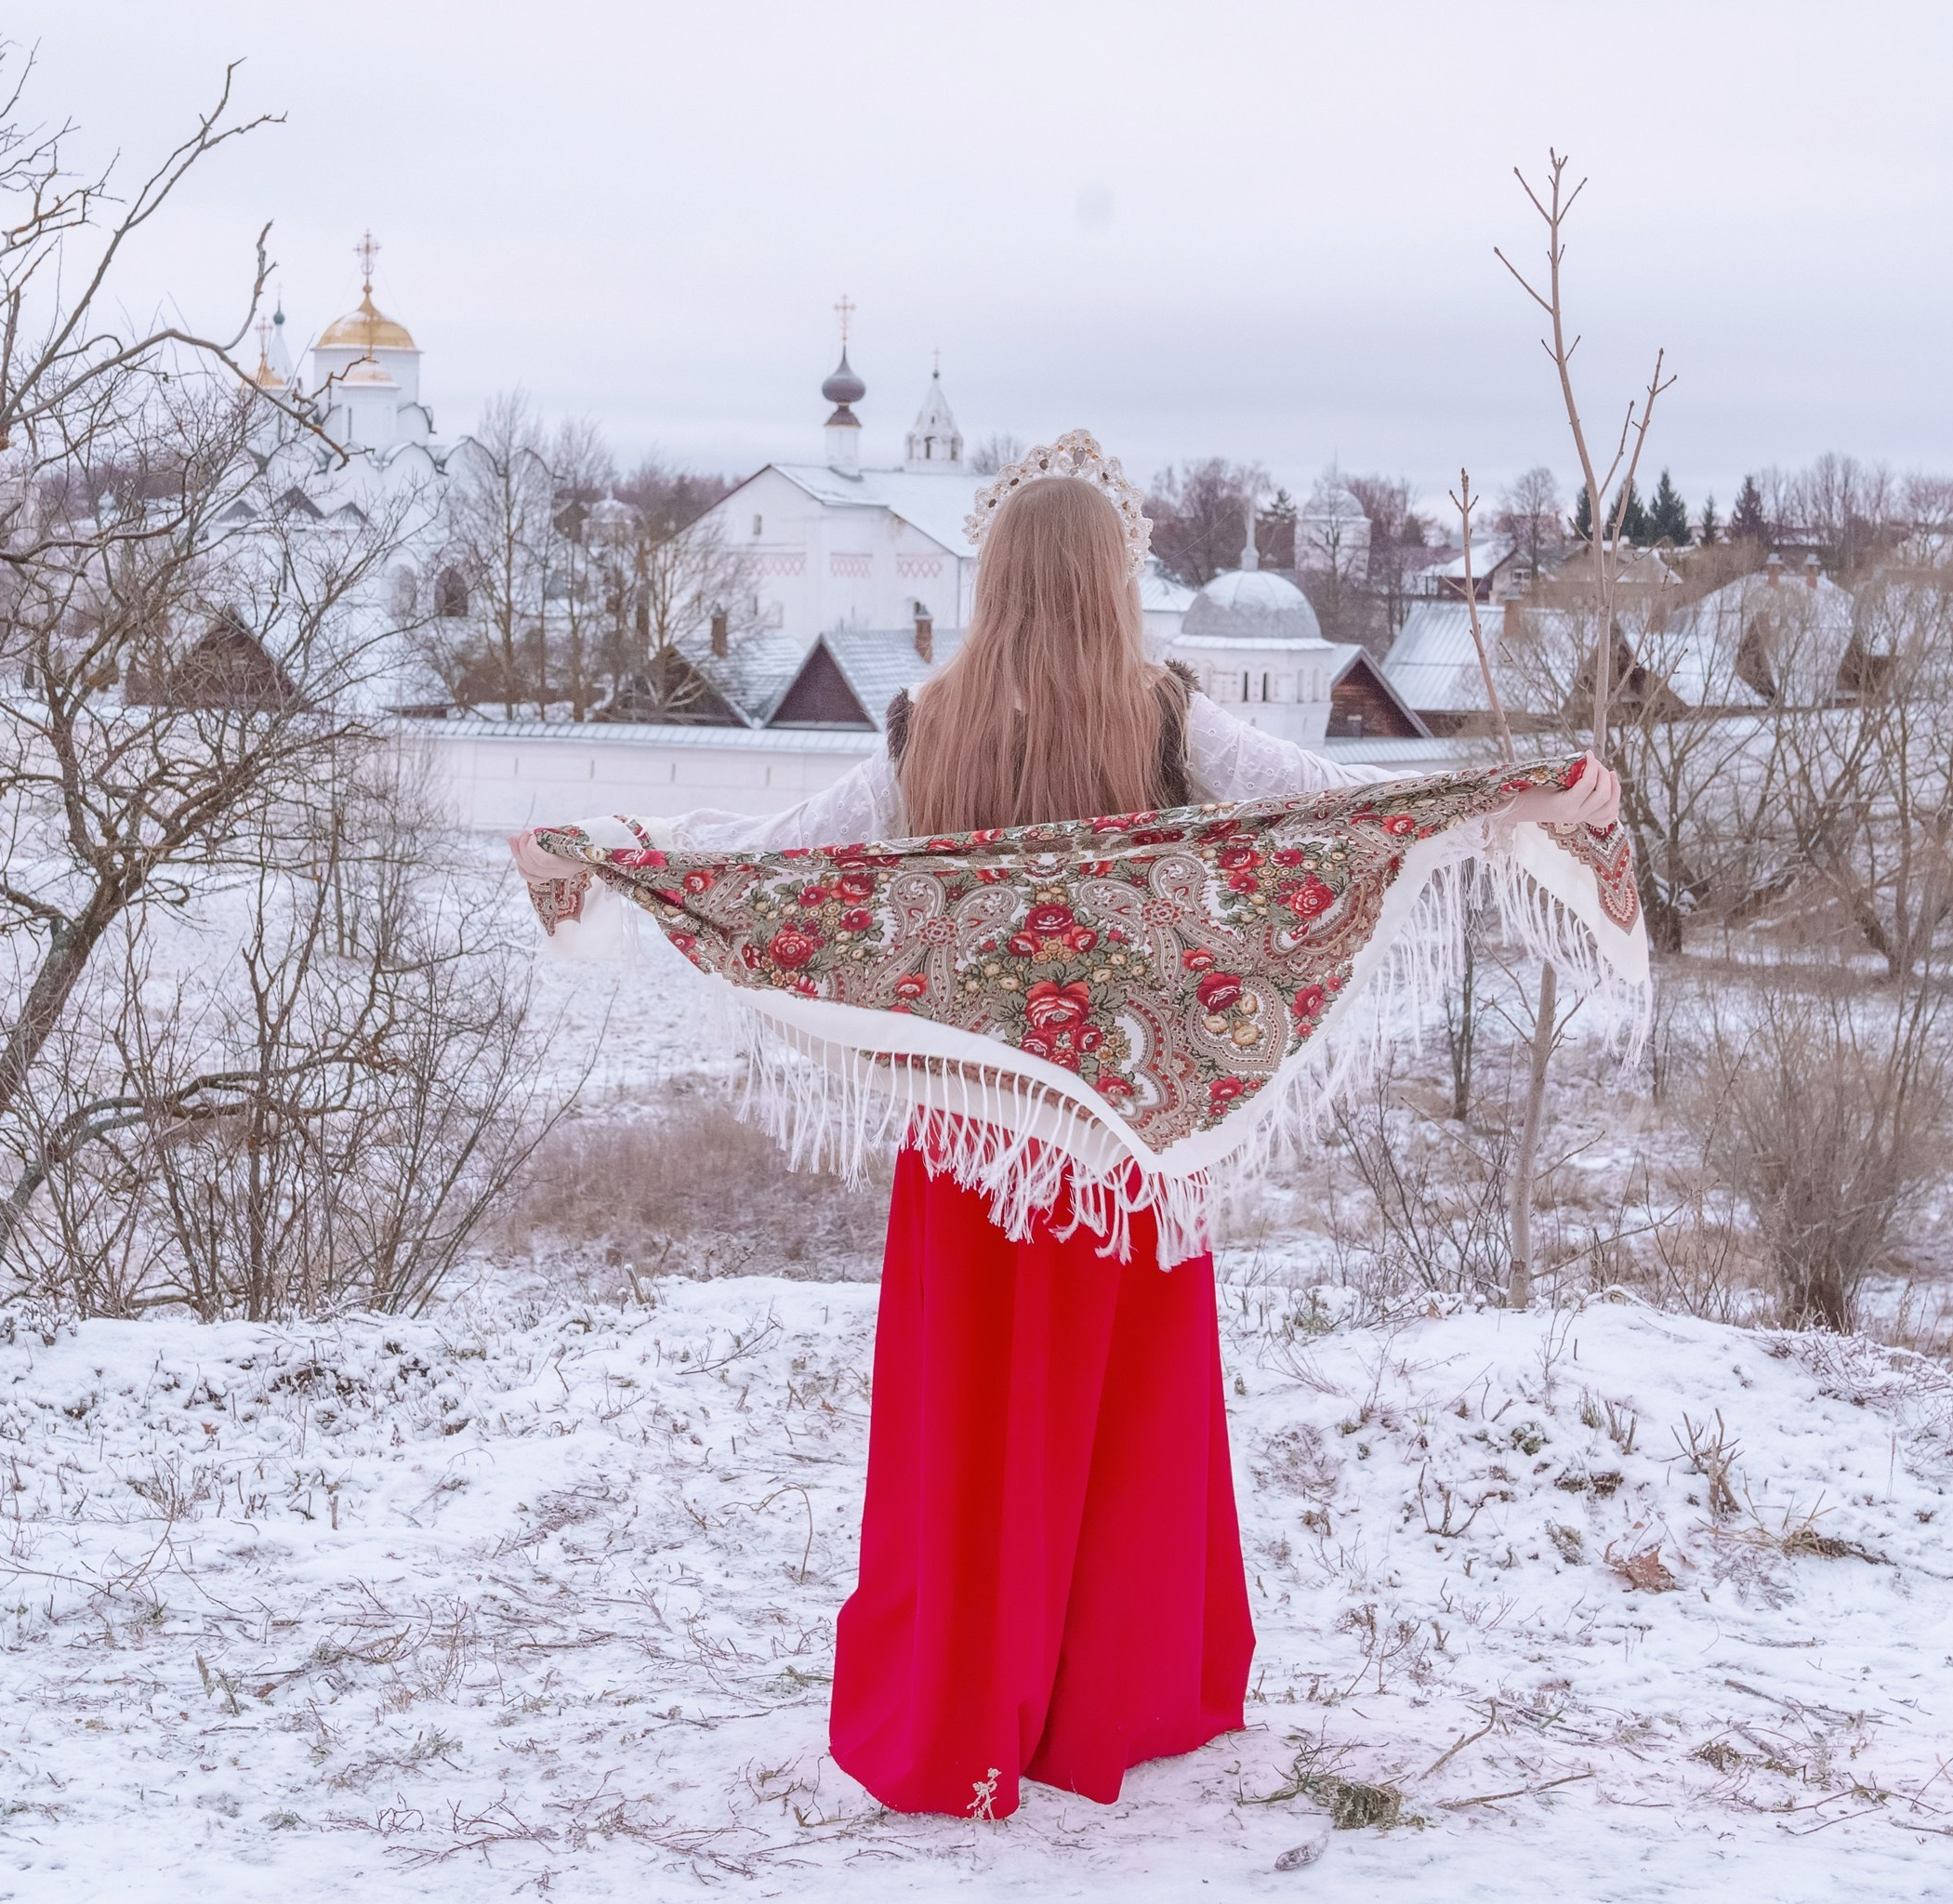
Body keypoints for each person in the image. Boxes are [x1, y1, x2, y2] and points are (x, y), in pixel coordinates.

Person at [512, 469, 1617, 1820]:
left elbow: (776, 860)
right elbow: (1325, 809)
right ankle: (1117, 1699)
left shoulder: (927, 727)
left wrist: (616, 850)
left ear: (994, 582)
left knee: (973, 1435)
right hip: (1123, 1153)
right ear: (1108, 580)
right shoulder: (1162, 714)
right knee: (1124, 1430)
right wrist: (1519, 801)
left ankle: (967, 1705)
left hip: (977, 1155)